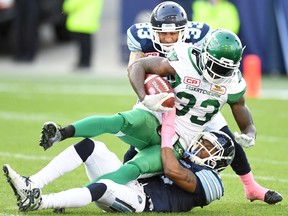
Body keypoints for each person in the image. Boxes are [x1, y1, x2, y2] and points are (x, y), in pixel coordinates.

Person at [125, 1, 282, 204]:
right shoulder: (140, 35)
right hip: (161, 96)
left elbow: (215, 67)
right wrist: (148, 94)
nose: (169, 38)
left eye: (174, 33)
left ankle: (251, 187)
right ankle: (126, 185)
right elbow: (134, 68)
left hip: (197, 96)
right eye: (163, 33)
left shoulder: (200, 36)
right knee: (138, 141)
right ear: (153, 31)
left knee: (227, 140)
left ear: (186, 29)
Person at [3, 129, 235, 212]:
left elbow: (175, 173)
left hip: (143, 202)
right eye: (202, 142)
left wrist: (167, 137)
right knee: (92, 146)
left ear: (219, 160)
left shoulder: (212, 181)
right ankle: (31, 184)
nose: (200, 148)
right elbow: (131, 160)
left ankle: (41, 202)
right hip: (132, 183)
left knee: (105, 186)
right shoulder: (180, 153)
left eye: (208, 149)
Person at [62, 0, 103, 69]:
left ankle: (83, 62)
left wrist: (66, 7)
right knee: (86, 43)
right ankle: (85, 62)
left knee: (83, 44)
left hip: (81, 20)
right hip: (89, 19)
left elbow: (72, 4)